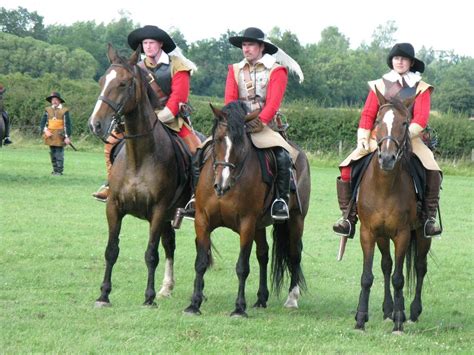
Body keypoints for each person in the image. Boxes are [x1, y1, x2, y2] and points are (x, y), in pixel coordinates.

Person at [183, 27, 303, 222]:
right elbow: (230, 100)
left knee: (282, 156)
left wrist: (261, 121)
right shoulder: (235, 70)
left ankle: (280, 200)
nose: (246, 49)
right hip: (236, 125)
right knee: (200, 152)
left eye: (251, 45)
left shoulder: (277, 70)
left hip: (264, 126)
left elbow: (273, 102)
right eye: (244, 46)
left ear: (261, 47)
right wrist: (233, 122)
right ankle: (195, 197)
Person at [333, 42, 442, 239]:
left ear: (411, 62)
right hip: (381, 137)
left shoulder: (421, 87)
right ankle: (348, 217)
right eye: (396, 58)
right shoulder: (379, 85)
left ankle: (428, 218)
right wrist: (363, 137)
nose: (400, 62)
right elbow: (367, 114)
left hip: (411, 137)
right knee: (347, 166)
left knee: (433, 169)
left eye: (404, 59)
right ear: (392, 61)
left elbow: (421, 118)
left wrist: (403, 137)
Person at [92, 25, 200, 201]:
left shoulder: (179, 66)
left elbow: (178, 97)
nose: (148, 46)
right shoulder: (137, 67)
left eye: (152, 42)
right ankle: (111, 184)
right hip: (142, 119)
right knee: (110, 144)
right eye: (145, 43)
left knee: (195, 149)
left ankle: (194, 195)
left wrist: (162, 116)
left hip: (172, 118)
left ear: (160, 44)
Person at [40, 92, 72, 176]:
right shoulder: (47, 110)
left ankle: (59, 171)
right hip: (50, 135)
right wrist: (45, 131)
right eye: (52, 100)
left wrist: (67, 137)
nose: (54, 101)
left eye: (56, 100)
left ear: (59, 101)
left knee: (59, 153)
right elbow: (43, 122)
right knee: (52, 153)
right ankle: (55, 170)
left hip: (60, 135)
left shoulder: (64, 110)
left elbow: (67, 124)